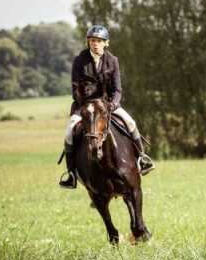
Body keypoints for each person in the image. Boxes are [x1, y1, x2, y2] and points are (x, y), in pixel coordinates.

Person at [59, 25, 154, 189]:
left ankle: (142, 158)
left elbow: (117, 89)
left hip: (109, 104)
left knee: (131, 123)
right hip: (85, 106)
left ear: (106, 43)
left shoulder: (113, 61)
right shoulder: (79, 60)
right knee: (69, 132)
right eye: (92, 40)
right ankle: (71, 174)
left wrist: (114, 103)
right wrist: (86, 103)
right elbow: (75, 89)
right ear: (88, 42)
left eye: (99, 41)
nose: (95, 44)